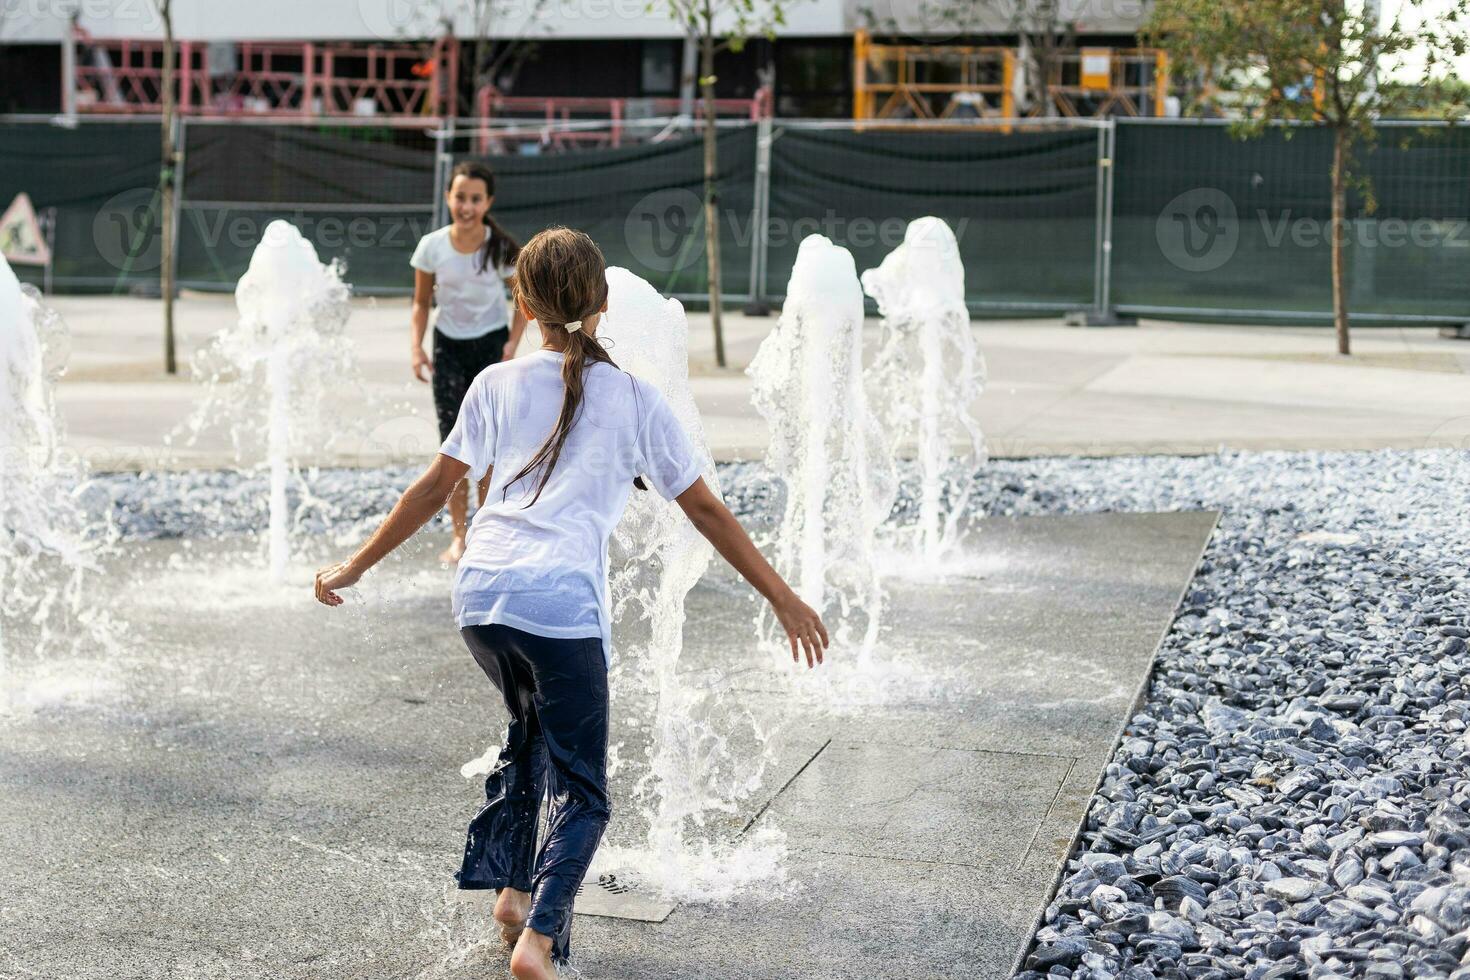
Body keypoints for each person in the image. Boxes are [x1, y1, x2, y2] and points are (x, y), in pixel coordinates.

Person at [314, 227, 829, 980]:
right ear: (604, 303)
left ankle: (517, 895)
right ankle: (541, 942)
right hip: (558, 606)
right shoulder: (634, 399)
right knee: (584, 788)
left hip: (482, 597)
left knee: (529, 740)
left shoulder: (497, 382)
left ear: (522, 303)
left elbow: (432, 489)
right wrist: (782, 596)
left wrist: (357, 565)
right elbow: (708, 513)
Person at [410, 161, 529, 563]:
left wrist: (512, 343)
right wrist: (416, 346)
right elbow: (421, 302)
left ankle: (486, 534)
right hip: (449, 350)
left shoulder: (499, 247)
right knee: (454, 449)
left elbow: (522, 301)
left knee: (491, 446)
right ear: (448, 198)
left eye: (475, 199)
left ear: (487, 202)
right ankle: (459, 537)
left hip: (490, 347)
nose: (466, 206)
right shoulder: (432, 246)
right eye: (460, 197)